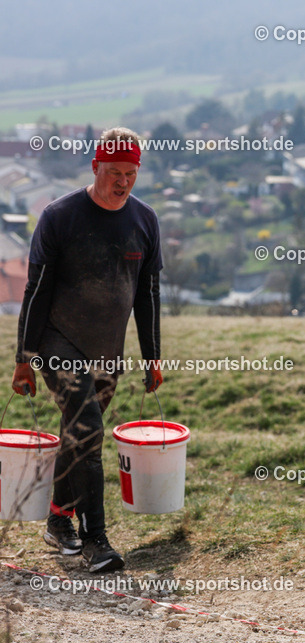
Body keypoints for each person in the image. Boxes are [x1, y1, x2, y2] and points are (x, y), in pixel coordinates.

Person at [12, 127, 163, 573]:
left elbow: (147, 294)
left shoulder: (144, 220)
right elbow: (35, 291)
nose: (122, 181)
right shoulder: (60, 217)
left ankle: (58, 519)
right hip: (58, 342)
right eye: (114, 172)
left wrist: (152, 355)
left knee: (78, 433)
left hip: (106, 351)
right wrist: (24, 357)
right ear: (95, 167)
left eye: (130, 173)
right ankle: (97, 539)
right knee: (90, 431)